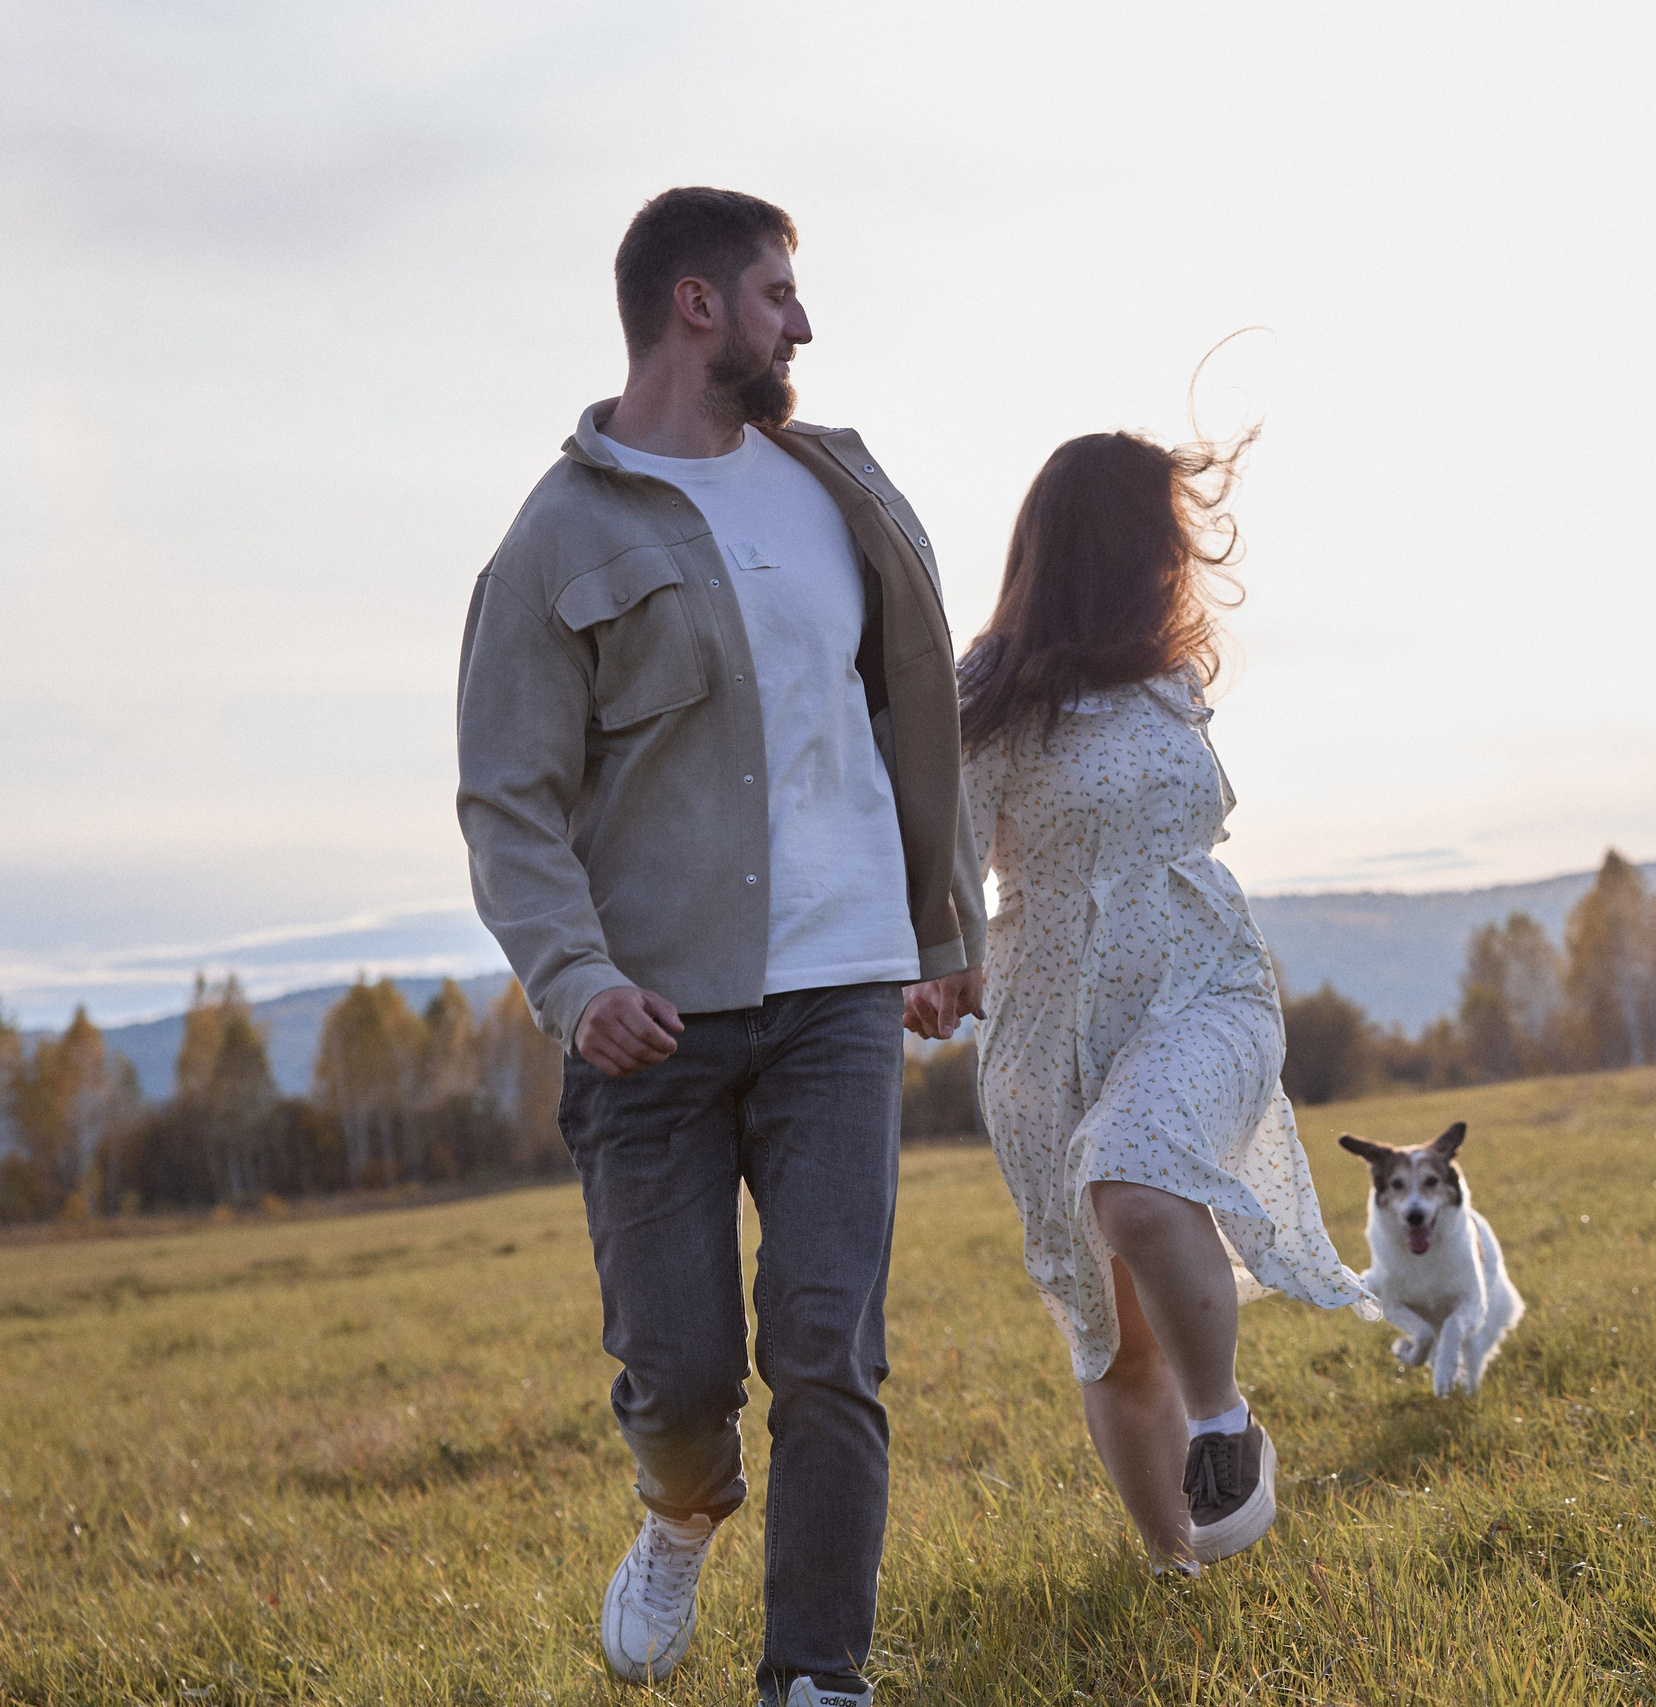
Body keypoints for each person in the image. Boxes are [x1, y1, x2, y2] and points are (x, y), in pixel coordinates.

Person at [456, 186, 982, 1707]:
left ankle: (814, 1673)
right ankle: (681, 1506)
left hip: (839, 990)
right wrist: (577, 978)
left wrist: (942, 925)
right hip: (653, 1021)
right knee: (682, 1374)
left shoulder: (844, 492)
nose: (801, 323)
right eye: (777, 293)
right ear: (696, 305)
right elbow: (510, 797)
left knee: (830, 1346)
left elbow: (913, 720)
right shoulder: (555, 536)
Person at [936, 427, 1377, 1569]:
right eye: (1165, 535)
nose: (1183, 556)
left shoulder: (1170, 676)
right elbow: (942, 859)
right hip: (1045, 1036)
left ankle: (1224, 1424)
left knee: (1133, 1182)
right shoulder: (985, 696)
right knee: (1115, 1345)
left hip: (1205, 986)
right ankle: (1177, 1568)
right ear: (1112, 546)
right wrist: (935, 958)